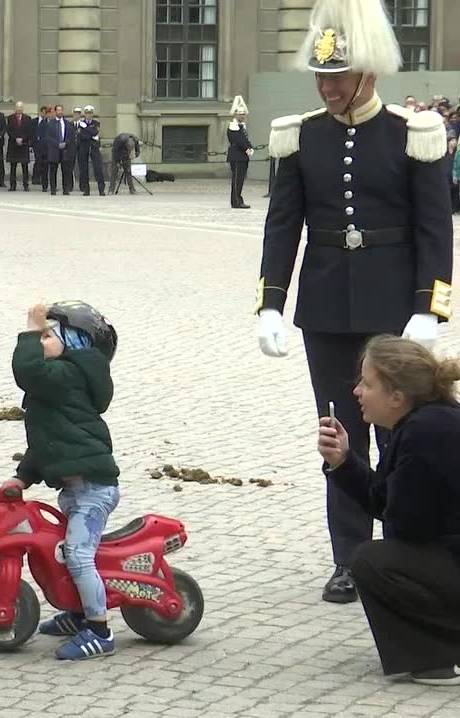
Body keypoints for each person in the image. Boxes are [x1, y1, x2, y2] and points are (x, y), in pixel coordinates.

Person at [255, 0, 453, 604]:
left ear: (368, 74)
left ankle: (405, 550)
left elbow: (434, 227)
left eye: (338, 75)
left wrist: (431, 307)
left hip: (395, 307)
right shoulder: (300, 136)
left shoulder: (412, 133)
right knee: (339, 432)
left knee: (402, 438)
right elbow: (282, 225)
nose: (328, 86)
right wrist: (270, 302)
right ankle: (350, 557)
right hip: (327, 309)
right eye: (322, 76)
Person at [316, 336, 460, 686]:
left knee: (372, 561)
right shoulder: (422, 422)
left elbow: (405, 524)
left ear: (397, 397)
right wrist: (344, 463)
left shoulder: (425, 432)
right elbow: (389, 503)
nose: (357, 392)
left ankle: (435, 659)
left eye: (367, 384)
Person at [0, 300, 120, 661]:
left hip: (93, 490)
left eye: (51, 335)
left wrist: (31, 329)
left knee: (79, 556)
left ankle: (99, 631)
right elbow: (49, 443)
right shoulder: (61, 383)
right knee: (66, 554)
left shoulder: (67, 376)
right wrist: (23, 478)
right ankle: (79, 612)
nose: (43, 340)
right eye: (44, 334)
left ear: (77, 343)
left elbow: (28, 371)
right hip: (75, 489)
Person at [227, 95, 254, 209]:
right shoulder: (233, 126)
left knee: (240, 180)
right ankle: (236, 201)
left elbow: (245, 139)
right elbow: (238, 141)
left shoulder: (241, 126)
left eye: (243, 114)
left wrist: (250, 147)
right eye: (240, 114)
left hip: (242, 156)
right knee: (237, 180)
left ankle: (238, 200)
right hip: (237, 156)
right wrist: (246, 149)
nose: (242, 116)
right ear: (236, 114)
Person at [75, 105, 106, 196]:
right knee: (84, 170)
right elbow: (81, 136)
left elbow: (95, 132)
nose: (89, 115)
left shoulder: (96, 123)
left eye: (90, 113)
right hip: (83, 148)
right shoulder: (80, 123)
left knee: (98, 168)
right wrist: (91, 135)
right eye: (87, 113)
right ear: (85, 114)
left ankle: (101, 189)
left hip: (94, 148)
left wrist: (86, 129)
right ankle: (86, 189)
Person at [6, 101, 34, 191]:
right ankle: (12, 185)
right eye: (17, 107)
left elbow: (30, 131)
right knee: (13, 167)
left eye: (20, 107)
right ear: (15, 108)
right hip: (13, 145)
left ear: (23, 108)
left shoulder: (28, 118)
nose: (19, 109)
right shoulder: (10, 118)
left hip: (24, 145)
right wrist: (16, 138)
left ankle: (25, 185)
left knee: (24, 166)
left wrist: (23, 139)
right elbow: (9, 130)